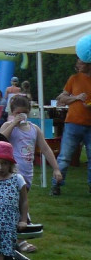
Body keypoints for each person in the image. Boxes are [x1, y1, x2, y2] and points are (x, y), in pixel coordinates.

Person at [0, 95, 60, 254]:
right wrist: (13, 124)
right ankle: (21, 240)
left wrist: (56, 168)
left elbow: (46, 149)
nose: (22, 116)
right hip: (11, 174)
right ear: (12, 112)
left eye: (25, 113)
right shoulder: (9, 126)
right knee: (18, 206)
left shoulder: (34, 129)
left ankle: (13, 236)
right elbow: (0, 140)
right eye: (18, 113)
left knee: (19, 205)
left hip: (27, 175)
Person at [50, 57, 91, 196]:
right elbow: (61, 98)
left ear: (88, 63)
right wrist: (77, 98)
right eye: (77, 63)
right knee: (65, 157)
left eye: (81, 63)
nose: (77, 65)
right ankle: (56, 185)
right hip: (73, 123)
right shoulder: (74, 79)